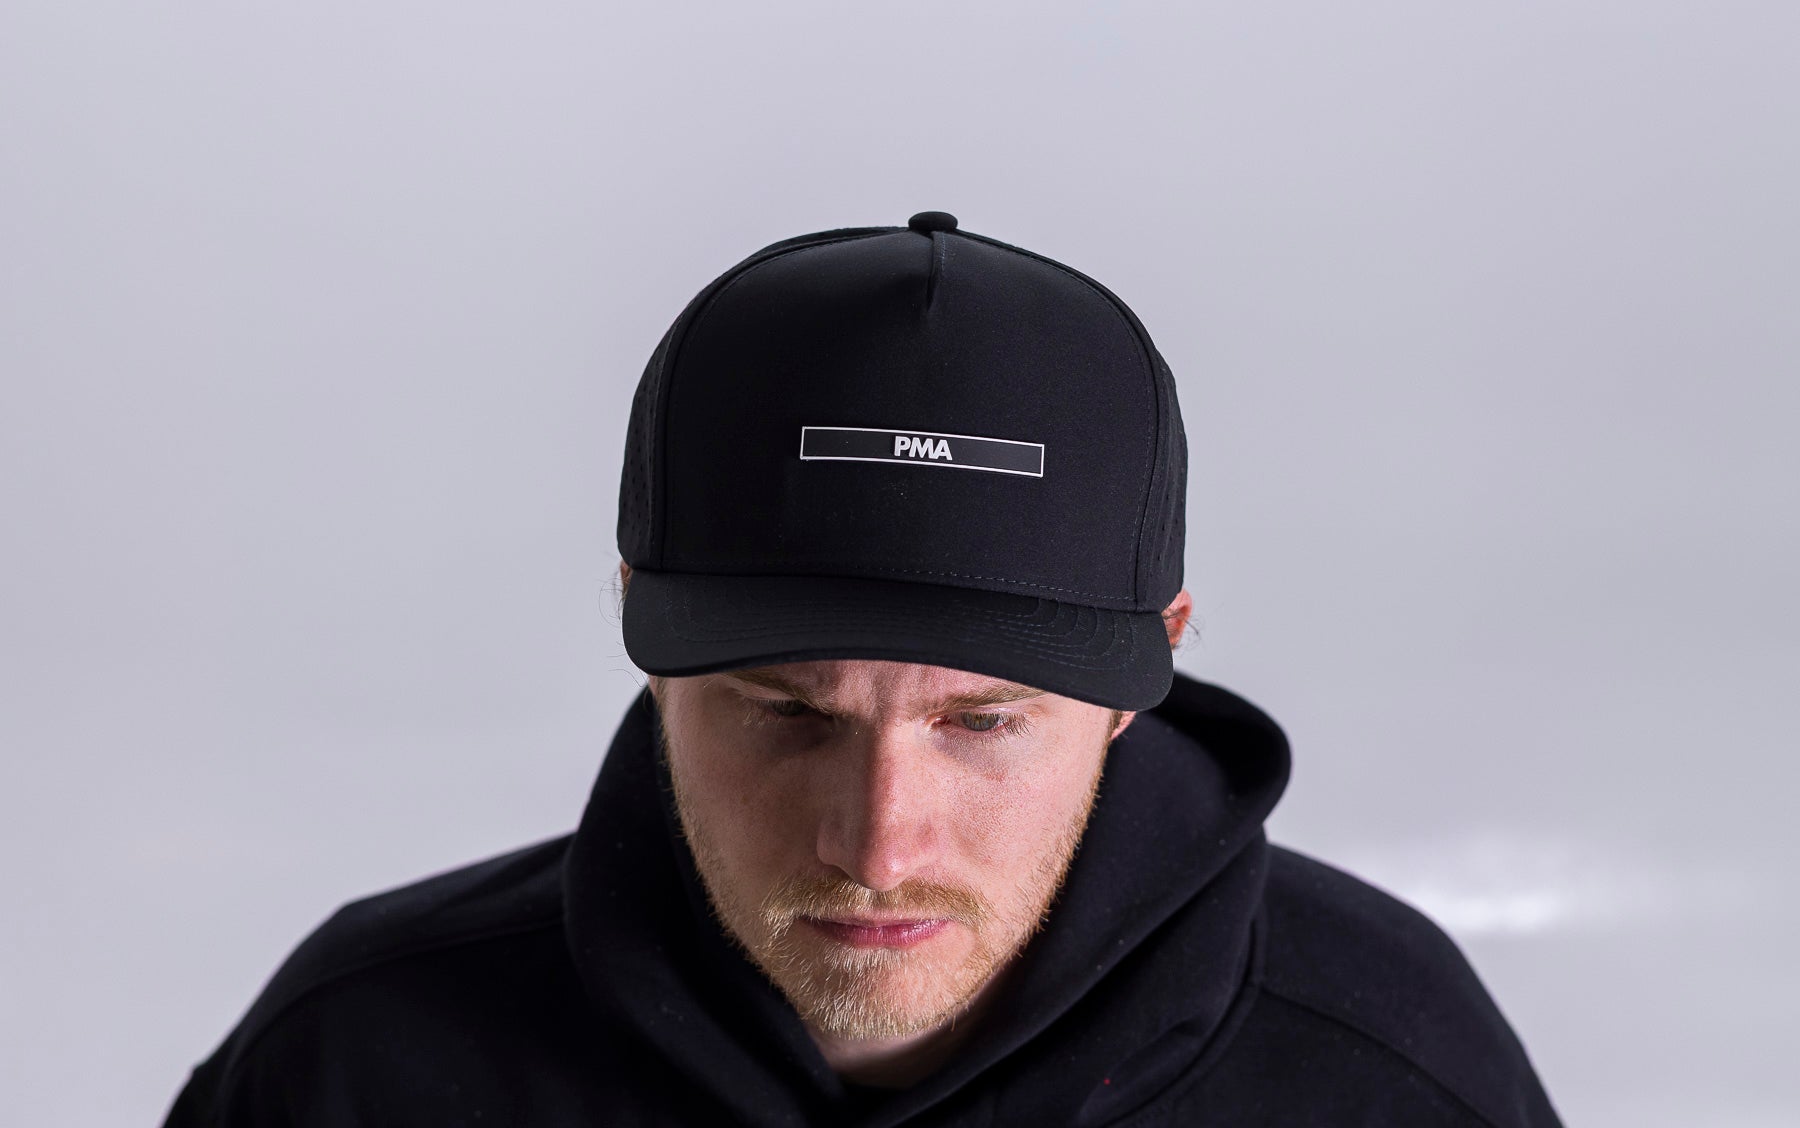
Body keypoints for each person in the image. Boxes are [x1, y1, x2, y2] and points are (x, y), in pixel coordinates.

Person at [163, 212, 1565, 1126]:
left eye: (983, 721)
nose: (877, 846)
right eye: (787, 714)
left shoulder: (1389, 1075)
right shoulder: (362, 1066)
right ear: (643, 637)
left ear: (1149, 670)